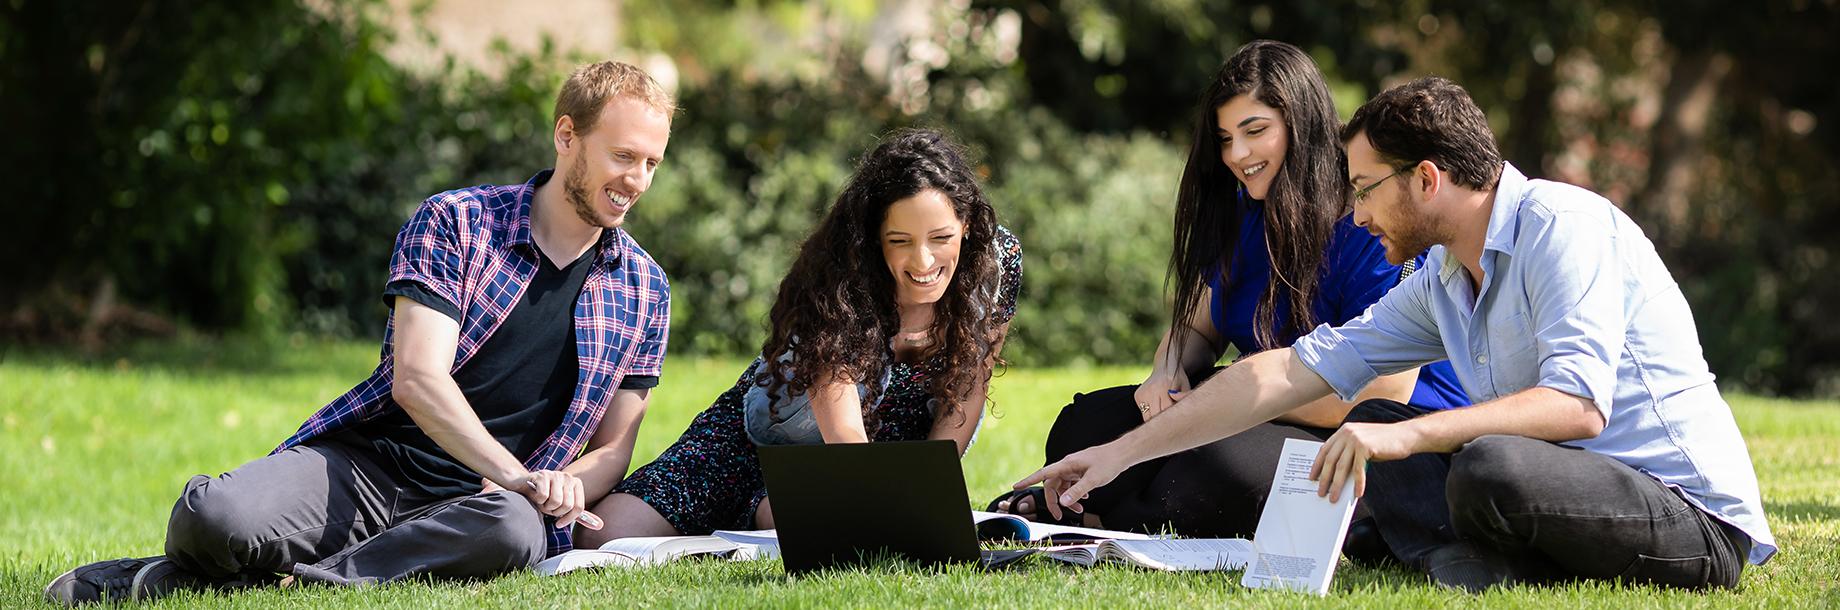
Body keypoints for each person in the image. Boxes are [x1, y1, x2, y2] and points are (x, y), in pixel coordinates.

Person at [1017, 76, 1774, 592]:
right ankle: (1469, 555)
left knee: (1475, 462)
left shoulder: (1561, 226)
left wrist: (1413, 440)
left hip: (1687, 518)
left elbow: (1577, 407)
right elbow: (1287, 373)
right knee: (1376, 423)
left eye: (1366, 189)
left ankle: (1469, 552)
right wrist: (1118, 455)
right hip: (1552, 489)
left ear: (1428, 179)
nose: (1354, 213)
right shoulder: (1442, 276)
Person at [45, 61, 676, 605]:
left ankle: (265, 587)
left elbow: (614, 447)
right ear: (567, 136)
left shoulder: (646, 288)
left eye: (651, 162)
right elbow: (417, 381)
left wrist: (565, 485)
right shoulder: (457, 222)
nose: (638, 181)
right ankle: (234, 569)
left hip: (480, 511)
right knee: (214, 516)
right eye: (623, 157)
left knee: (513, 532)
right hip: (369, 468)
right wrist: (514, 471)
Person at [987, 40, 1466, 544]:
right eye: (1224, 138)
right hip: (1254, 399)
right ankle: (1107, 509)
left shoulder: (1369, 220)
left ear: (1300, 125)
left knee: (1214, 463)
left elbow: (1381, 391)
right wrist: (1167, 371)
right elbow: (1197, 324)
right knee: (1085, 422)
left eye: (1255, 131)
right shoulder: (1243, 212)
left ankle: (1095, 512)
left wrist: (1245, 394)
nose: (1237, 155)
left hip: (1366, 424)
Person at [577, 128, 1021, 545]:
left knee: (818, 520)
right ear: (874, 240)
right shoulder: (838, 279)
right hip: (764, 439)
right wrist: (883, 505)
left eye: (940, 237)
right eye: (900, 240)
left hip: (878, 459)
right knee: (605, 532)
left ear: (965, 223)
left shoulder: (997, 262)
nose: (923, 260)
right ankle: (765, 509)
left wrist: (927, 497)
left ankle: (771, 511)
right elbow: (845, 434)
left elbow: (969, 384)